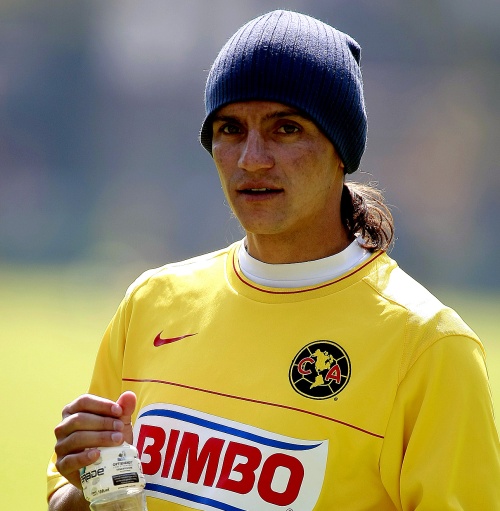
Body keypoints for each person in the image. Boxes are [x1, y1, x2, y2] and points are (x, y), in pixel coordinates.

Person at [47, 9, 500, 511]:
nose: (252, 158)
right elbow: (91, 500)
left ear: (341, 149)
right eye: (230, 128)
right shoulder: (151, 302)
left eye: (286, 128)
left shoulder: (428, 348)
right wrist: (95, 479)